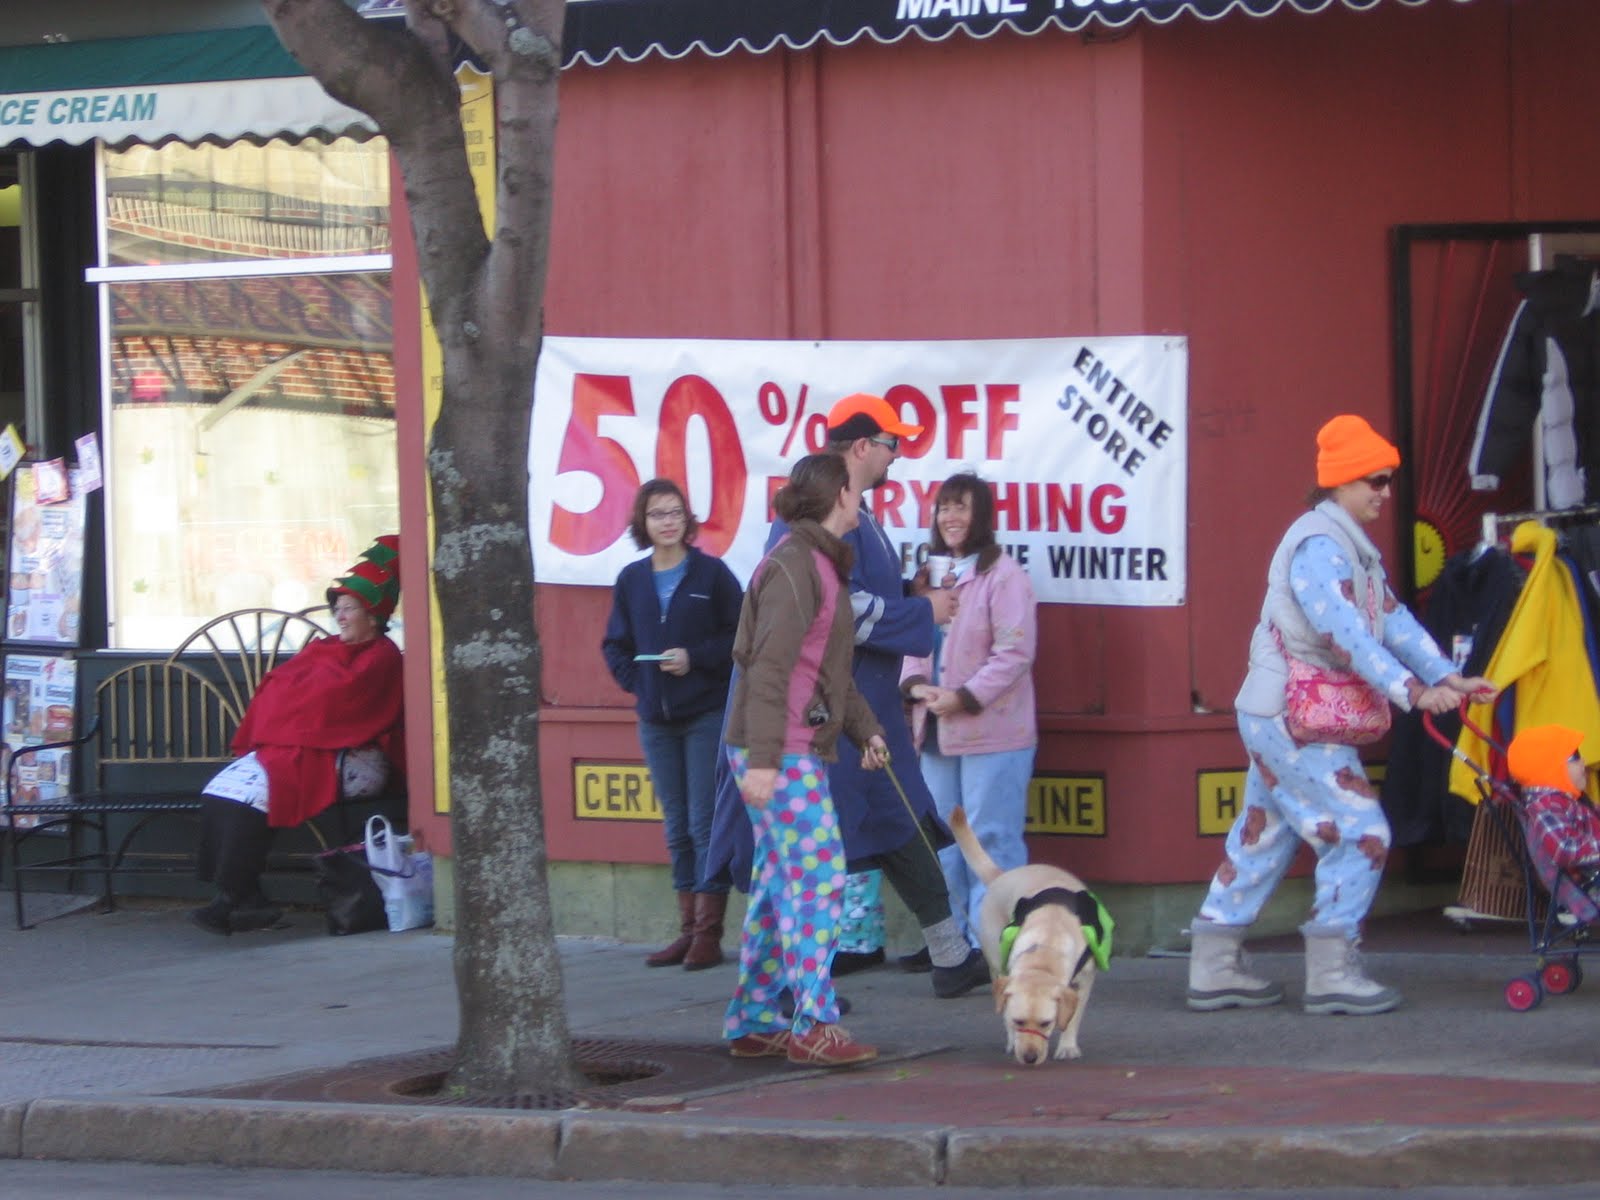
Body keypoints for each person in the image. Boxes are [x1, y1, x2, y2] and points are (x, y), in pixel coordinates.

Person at [1186, 415, 1495, 1015]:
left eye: (1388, 480)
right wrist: (1414, 689)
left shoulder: (1341, 544)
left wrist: (1445, 678)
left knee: (1265, 832)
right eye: (1375, 481)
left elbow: (1392, 620)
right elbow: (1347, 633)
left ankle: (1214, 964)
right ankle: (1331, 970)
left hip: (1282, 712)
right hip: (1297, 716)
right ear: (1341, 481)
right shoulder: (1321, 546)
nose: (1386, 492)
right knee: (1364, 832)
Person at [708, 393, 991, 1001]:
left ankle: (948, 954)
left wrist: (912, 595)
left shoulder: (859, 516)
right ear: (861, 447)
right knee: (801, 865)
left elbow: (852, 603)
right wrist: (923, 611)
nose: (898, 456)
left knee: (901, 819)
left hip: (857, 709)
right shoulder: (801, 533)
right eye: (892, 444)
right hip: (805, 725)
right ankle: (795, 994)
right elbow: (839, 616)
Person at [722, 453, 890, 1066]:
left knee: (778, 884)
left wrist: (866, 731)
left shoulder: (816, 562)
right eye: (856, 489)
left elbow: (826, 670)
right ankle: (814, 1024)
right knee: (820, 881)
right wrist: (766, 760)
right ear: (840, 495)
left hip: (782, 748)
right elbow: (768, 669)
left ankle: (755, 1019)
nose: (862, 498)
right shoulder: (796, 566)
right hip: (780, 750)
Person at [191, 535, 406, 936]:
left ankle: (237, 900)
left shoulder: (382, 656)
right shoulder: (326, 649)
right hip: (298, 746)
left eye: (349, 609)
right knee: (222, 790)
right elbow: (281, 687)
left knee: (252, 795)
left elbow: (336, 706)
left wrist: (295, 708)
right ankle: (241, 896)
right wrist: (294, 710)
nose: (340, 617)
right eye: (337, 610)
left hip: (349, 754)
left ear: (373, 616)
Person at [602, 479, 743, 970]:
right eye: (657, 514)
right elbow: (614, 645)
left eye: (675, 512)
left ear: (688, 519)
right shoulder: (631, 579)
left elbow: (740, 636)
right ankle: (686, 930)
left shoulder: (712, 574)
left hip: (705, 714)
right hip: (655, 720)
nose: (667, 522)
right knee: (676, 826)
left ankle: (709, 934)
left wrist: (694, 658)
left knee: (705, 823)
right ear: (642, 523)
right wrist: (640, 684)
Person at [901, 472, 1038, 949]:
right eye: (944, 507)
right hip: (936, 732)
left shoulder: (1006, 576)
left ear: (981, 515)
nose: (951, 517)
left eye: (961, 506)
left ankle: (994, 943)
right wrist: (914, 685)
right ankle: (957, 946)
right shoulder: (930, 577)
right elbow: (915, 639)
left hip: (993, 734)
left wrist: (962, 697)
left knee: (990, 839)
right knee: (944, 842)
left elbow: (1014, 654)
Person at [1506, 724, 1600, 925]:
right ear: (1550, 766)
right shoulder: (1546, 807)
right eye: (1574, 756)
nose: (1583, 762)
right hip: (1590, 888)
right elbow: (1564, 849)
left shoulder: (1563, 802)